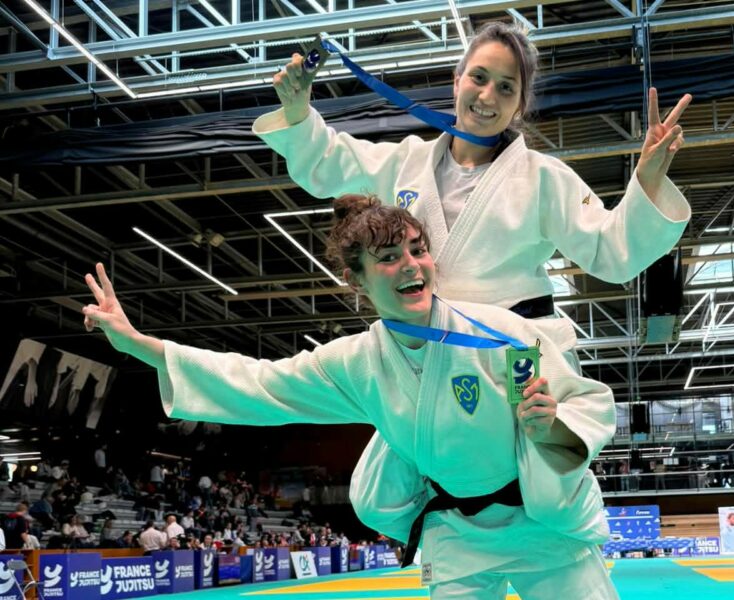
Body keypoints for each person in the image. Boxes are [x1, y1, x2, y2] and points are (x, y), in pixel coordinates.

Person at [261, 20, 692, 545]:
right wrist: (299, 109)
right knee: (375, 496)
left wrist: (645, 181)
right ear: (457, 78)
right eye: (479, 78)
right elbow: (328, 164)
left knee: (550, 497)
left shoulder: (541, 177)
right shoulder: (406, 162)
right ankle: (443, 513)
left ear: (519, 105)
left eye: (506, 88)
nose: (488, 96)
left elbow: (610, 250)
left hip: (512, 352)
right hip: (434, 352)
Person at [81, 195, 618, 599]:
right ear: (354, 279)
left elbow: (588, 402)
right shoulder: (356, 361)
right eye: (388, 257)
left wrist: (553, 428)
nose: (411, 264)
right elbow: (264, 382)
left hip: (542, 520)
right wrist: (145, 347)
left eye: (418, 249)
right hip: (454, 531)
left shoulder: (501, 331)